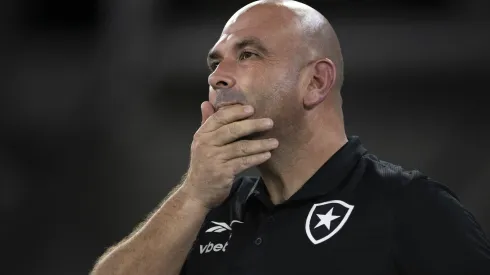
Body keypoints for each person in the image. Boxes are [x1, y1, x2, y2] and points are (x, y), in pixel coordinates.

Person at [90, 1, 490, 274]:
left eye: (247, 55)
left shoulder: (410, 207)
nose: (217, 77)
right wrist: (194, 193)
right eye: (215, 62)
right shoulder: (207, 214)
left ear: (316, 82)